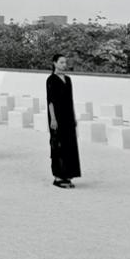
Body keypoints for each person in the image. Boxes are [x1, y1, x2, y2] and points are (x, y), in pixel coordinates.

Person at [47, 54, 81, 189]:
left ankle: (67, 174)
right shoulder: (51, 80)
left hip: (68, 116)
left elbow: (70, 100)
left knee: (69, 145)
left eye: (65, 62)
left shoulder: (68, 79)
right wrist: (53, 118)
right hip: (57, 116)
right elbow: (50, 101)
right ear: (54, 63)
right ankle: (58, 176)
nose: (64, 65)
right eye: (61, 62)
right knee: (58, 145)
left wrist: (74, 116)